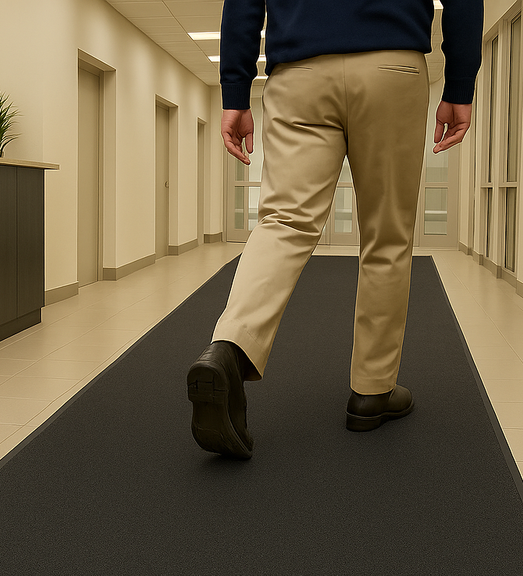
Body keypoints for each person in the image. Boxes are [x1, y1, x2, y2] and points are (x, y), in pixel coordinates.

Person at [187, 0, 484, 459]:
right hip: (391, 65)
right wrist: (460, 83)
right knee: (387, 235)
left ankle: (229, 347)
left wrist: (235, 93)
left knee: (283, 221)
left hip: (298, 73)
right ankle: (373, 390)